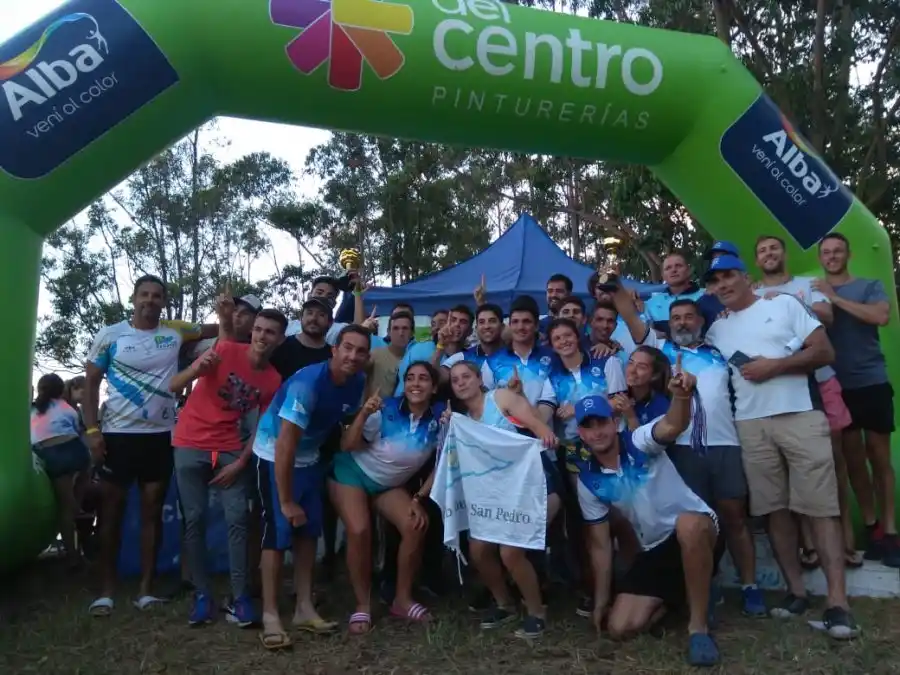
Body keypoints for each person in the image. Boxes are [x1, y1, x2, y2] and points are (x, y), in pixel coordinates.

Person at [704, 254, 858, 639]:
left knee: (820, 509)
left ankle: (838, 603)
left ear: (746, 278)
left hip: (800, 415)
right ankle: (796, 592)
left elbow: (825, 353)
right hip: (750, 426)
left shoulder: (786, 304)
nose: (722, 285)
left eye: (728, 276)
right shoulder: (716, 331)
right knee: (774, 509)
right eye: (715, 281)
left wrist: (774, 366)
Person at [611, 285, 763, 616]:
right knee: (695, 523)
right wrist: (614, 285)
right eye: (675, 317)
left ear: (700, 321)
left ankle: (751, 586)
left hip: (725, 444)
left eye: (688, 317)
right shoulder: (660, 349)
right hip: (680, 449)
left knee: (735, 517)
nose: (681, 322)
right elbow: (628, 313)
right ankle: (708, 586)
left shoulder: (721, 349)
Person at [571, 362, 721, 667]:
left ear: (614, 423)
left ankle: (698, 628)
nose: (597, 431)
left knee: (688, 524)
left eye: (602, 422)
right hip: (655, 548)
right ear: (581, 434)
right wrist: (601, 601)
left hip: (698, 530)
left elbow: (672, 426)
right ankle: (685, 594)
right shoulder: (588, 481)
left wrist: (681, 397)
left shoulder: (638, 440)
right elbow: (600, 546)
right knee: (620, 628)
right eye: (588, 426)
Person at [83, 274, 217, 616]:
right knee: (110, 513)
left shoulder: (175, 331)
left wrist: (233, 317)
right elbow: (90, 385)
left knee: (152, 513)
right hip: (117, 435)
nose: (150, 300)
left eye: (157, 296)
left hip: (159, 436)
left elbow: (212, 330)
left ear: (163, 302)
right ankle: (107, 591)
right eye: (144, 294)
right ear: (133, 298)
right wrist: (93, 430)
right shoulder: (110, 335)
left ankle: (145, 590)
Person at [253, 325, 370, 650]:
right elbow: (285, 446)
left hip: (311, 458)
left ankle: (304, 608)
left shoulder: (357, 381)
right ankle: (271, 615)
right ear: (334, 349)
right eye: (347, 347)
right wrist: (287, 499)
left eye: (361, 351)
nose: (353, 356)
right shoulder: (307, 384)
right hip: (274, 454)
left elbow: (343, 430)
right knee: (277, 535)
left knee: (308, 533)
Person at [170, 307, 287, 626]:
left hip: (231, 447)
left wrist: (241, 463)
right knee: (193, 520)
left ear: (279, 339)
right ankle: (203, 595)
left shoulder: (273, 379)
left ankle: (239, 598)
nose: (262, 336)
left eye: (270, 332)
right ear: (252, 332)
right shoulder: (223, 350)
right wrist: (196, 371)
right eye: (259, 329)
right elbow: (173, 385)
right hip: (190, 441)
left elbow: (262, 427)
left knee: (237, 519)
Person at [753, 235, 859, 568]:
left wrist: (785, 303)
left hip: (821, 380)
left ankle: (845, 541)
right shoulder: (752, 293)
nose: (769, 253)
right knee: (789, 468)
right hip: (780, 388)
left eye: (774, 248)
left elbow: (826, 317)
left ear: (784, 253)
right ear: (757, 260)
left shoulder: (806, 284)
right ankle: (809, 544)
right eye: (762, 251)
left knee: (834, 462)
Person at [330, 361, 445, 633]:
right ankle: (362, 605)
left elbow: (442, 462)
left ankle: (402, 600)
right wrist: (364, 413)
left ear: (434, 387)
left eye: (424, 379)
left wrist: (418, 498)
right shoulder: (386, 409)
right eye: (411, 378)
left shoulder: (442, 417)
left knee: (416, 524)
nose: (416, 384)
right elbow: (348, 445)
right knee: (359, 530)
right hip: (352, 473)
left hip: (388, 485)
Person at [448, 360, 560, 639]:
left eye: (466, 376)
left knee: (510, 551)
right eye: (455, 380)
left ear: (478, 379)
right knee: (478, 548)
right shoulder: (462, 423)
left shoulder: (500, 398)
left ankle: (536, 612)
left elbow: (534, 422)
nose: (461, 382)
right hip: (499, 493)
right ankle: (504, 604)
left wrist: (542, 431)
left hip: (537, 484)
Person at [817, 232, 898, 566]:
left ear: (847, 254)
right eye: (827, 252)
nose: (832, 256)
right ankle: (871, 525)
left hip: (871, 381)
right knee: (853, 462)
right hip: (837, 386)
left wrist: (835, 298)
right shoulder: (814, 289)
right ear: (821, 258)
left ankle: (891, 531)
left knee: (879, 457)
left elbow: (880, 317)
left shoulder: (869, 286)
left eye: (838, 251)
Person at [31, 373, 92, 570]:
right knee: (85, 469)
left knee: (65, 509)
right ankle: (79, 503)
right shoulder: (68, 408)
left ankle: (73, 556)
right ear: (61, 390)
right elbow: (75, 430)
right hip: (74, 451)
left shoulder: (30, 410)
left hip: (50, 455)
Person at [643, 252, 722, 336]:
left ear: (688, 270)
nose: (673, 270)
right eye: (668, 268)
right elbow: (641, 331)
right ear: (663, 275)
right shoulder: (651, 303)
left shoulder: (707, 296)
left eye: (678, 266)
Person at [365, 311, 414, 398]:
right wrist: (364, 331)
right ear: (388, 332)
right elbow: (358, 365)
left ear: (412, 333)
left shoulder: (414, 360)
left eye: (405, 328)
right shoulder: (375, 355)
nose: (401, 333)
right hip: (374, 409)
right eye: (395, 328)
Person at [537, 274, 574, 341]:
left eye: (559, 291)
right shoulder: (538, 326)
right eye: (550, 291)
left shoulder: (578, 323)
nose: (553, 295)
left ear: (569, 294)